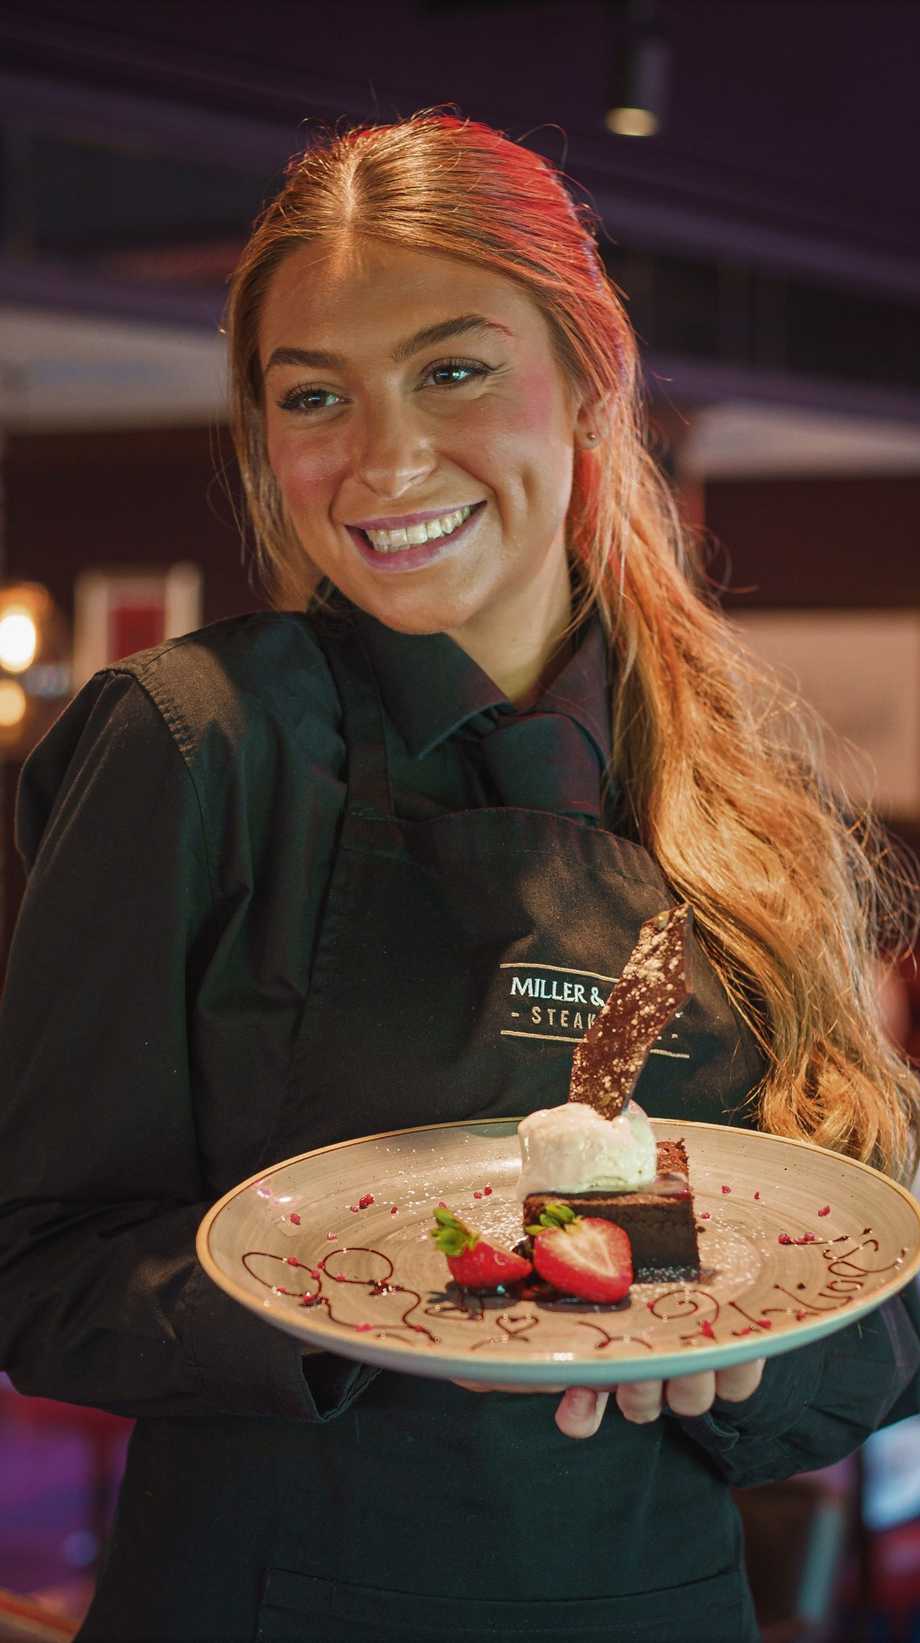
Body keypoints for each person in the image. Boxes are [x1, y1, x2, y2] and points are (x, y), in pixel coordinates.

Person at [0, 107, 918, 1643]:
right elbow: (37, 1272)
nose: (384, 458)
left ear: (590, 380)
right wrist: (347, 1304)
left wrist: (753, 1363)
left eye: (453, 370)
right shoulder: (188, 745)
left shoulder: (741, 782)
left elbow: (882, 1298)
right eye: (315, 395)